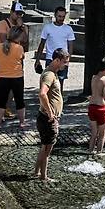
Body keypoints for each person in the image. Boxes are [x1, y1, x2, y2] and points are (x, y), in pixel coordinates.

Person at [34, 48, 70, 182]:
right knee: (47, 149)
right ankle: (44, 177)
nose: (66, 65)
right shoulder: (49, 75)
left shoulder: (52, 73)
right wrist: (50, 113)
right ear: (57, 60)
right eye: (64, 62)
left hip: (46, 116)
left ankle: (37, 173)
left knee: (44, 146)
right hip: (48, 118)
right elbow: (42, 94)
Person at [35, 7, 75, 91]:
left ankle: (59, 101)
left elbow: (70, 46)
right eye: (59, 16)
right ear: (55, 15)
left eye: (63, 16)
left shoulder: (68, 29)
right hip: (50, 59)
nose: (61, 18)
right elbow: (42, 44)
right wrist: (37, 60)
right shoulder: (48, 27)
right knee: (48, 82)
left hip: (63, 60)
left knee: (60, 83)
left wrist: (67, 61)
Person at [0, 26, 27, 129]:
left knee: (1, 101)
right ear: (19, 36)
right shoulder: (19, 48)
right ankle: (22, 123)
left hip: (2, 77)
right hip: (17, 77)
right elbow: (22, 59)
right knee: (19, 101)